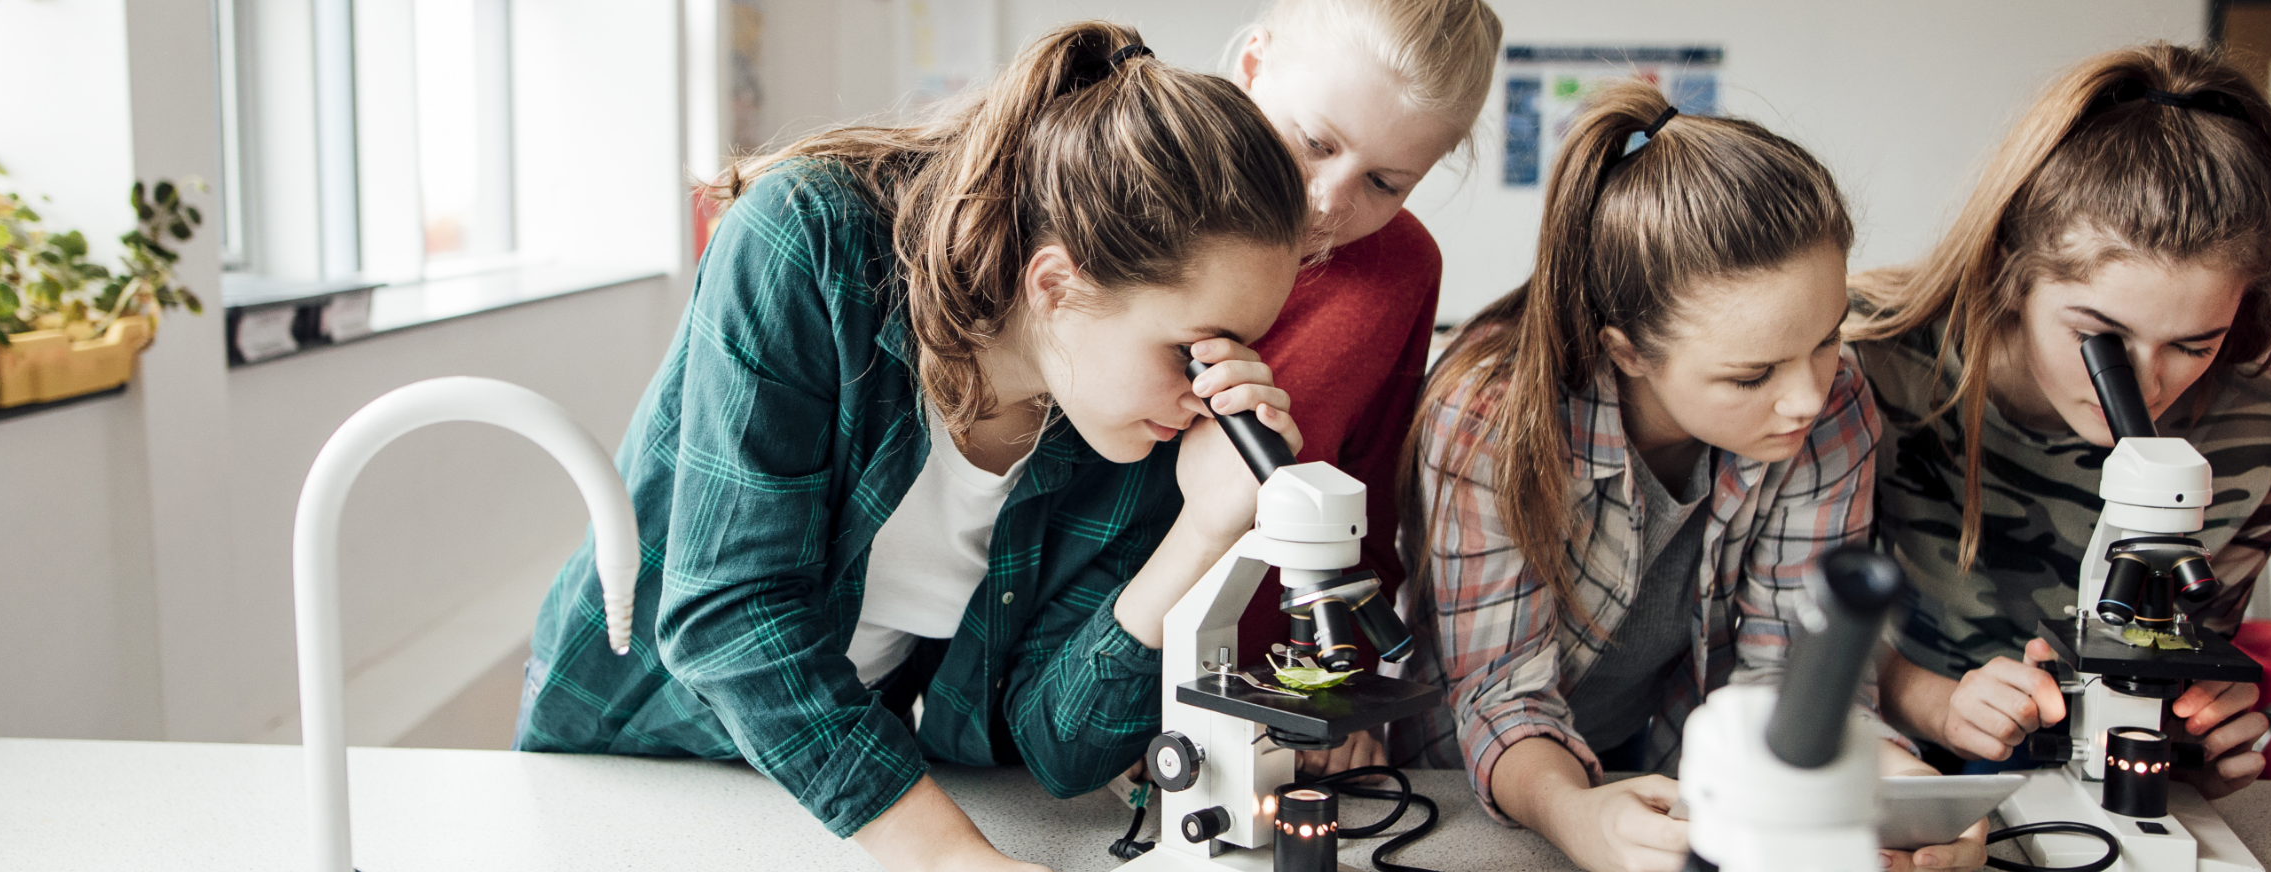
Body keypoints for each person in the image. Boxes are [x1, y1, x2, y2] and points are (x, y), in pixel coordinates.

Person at [514, 22, 1312, 872]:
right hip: (635, 756)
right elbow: (728, 614)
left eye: (1238, 356)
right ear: (1056, 283)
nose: (1214, 395)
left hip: (853, 791)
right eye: (1197, 351)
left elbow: (1056, 748)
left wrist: (1204, 531)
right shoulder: (808, 238)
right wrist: (951, 860)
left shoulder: (1131, 420)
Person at [1408, 82, 1977, 872]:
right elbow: (1498, 694)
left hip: (1674, 763)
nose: (1809, 395)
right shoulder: (1491, 418)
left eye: (1826, 338)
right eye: (1751, 376)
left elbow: (1792, 669)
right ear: (1628, 351)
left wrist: (1901, 792)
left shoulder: (1833, 404)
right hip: (1474, 789)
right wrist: (1575, 815)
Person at [1850, 44, 2271, 799]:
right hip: (1894, 764)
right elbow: (1782, 631)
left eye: (2195, 344)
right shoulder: (1871, 366)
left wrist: (2203, 733)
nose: (2148, 386)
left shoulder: (2253, 437)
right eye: (2101, 338)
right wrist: (1938, 704)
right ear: (2009, 267)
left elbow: (2180, 664)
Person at [1217, 0, 1506, 778]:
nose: (1329, 201)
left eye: (1385, 181)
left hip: (1269, 697)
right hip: (1069, 680)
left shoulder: (1402, 271)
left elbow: (1368, 511)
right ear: (1252, 64)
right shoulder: (1126, 191)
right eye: (1314, 143)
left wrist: (1341, 694)